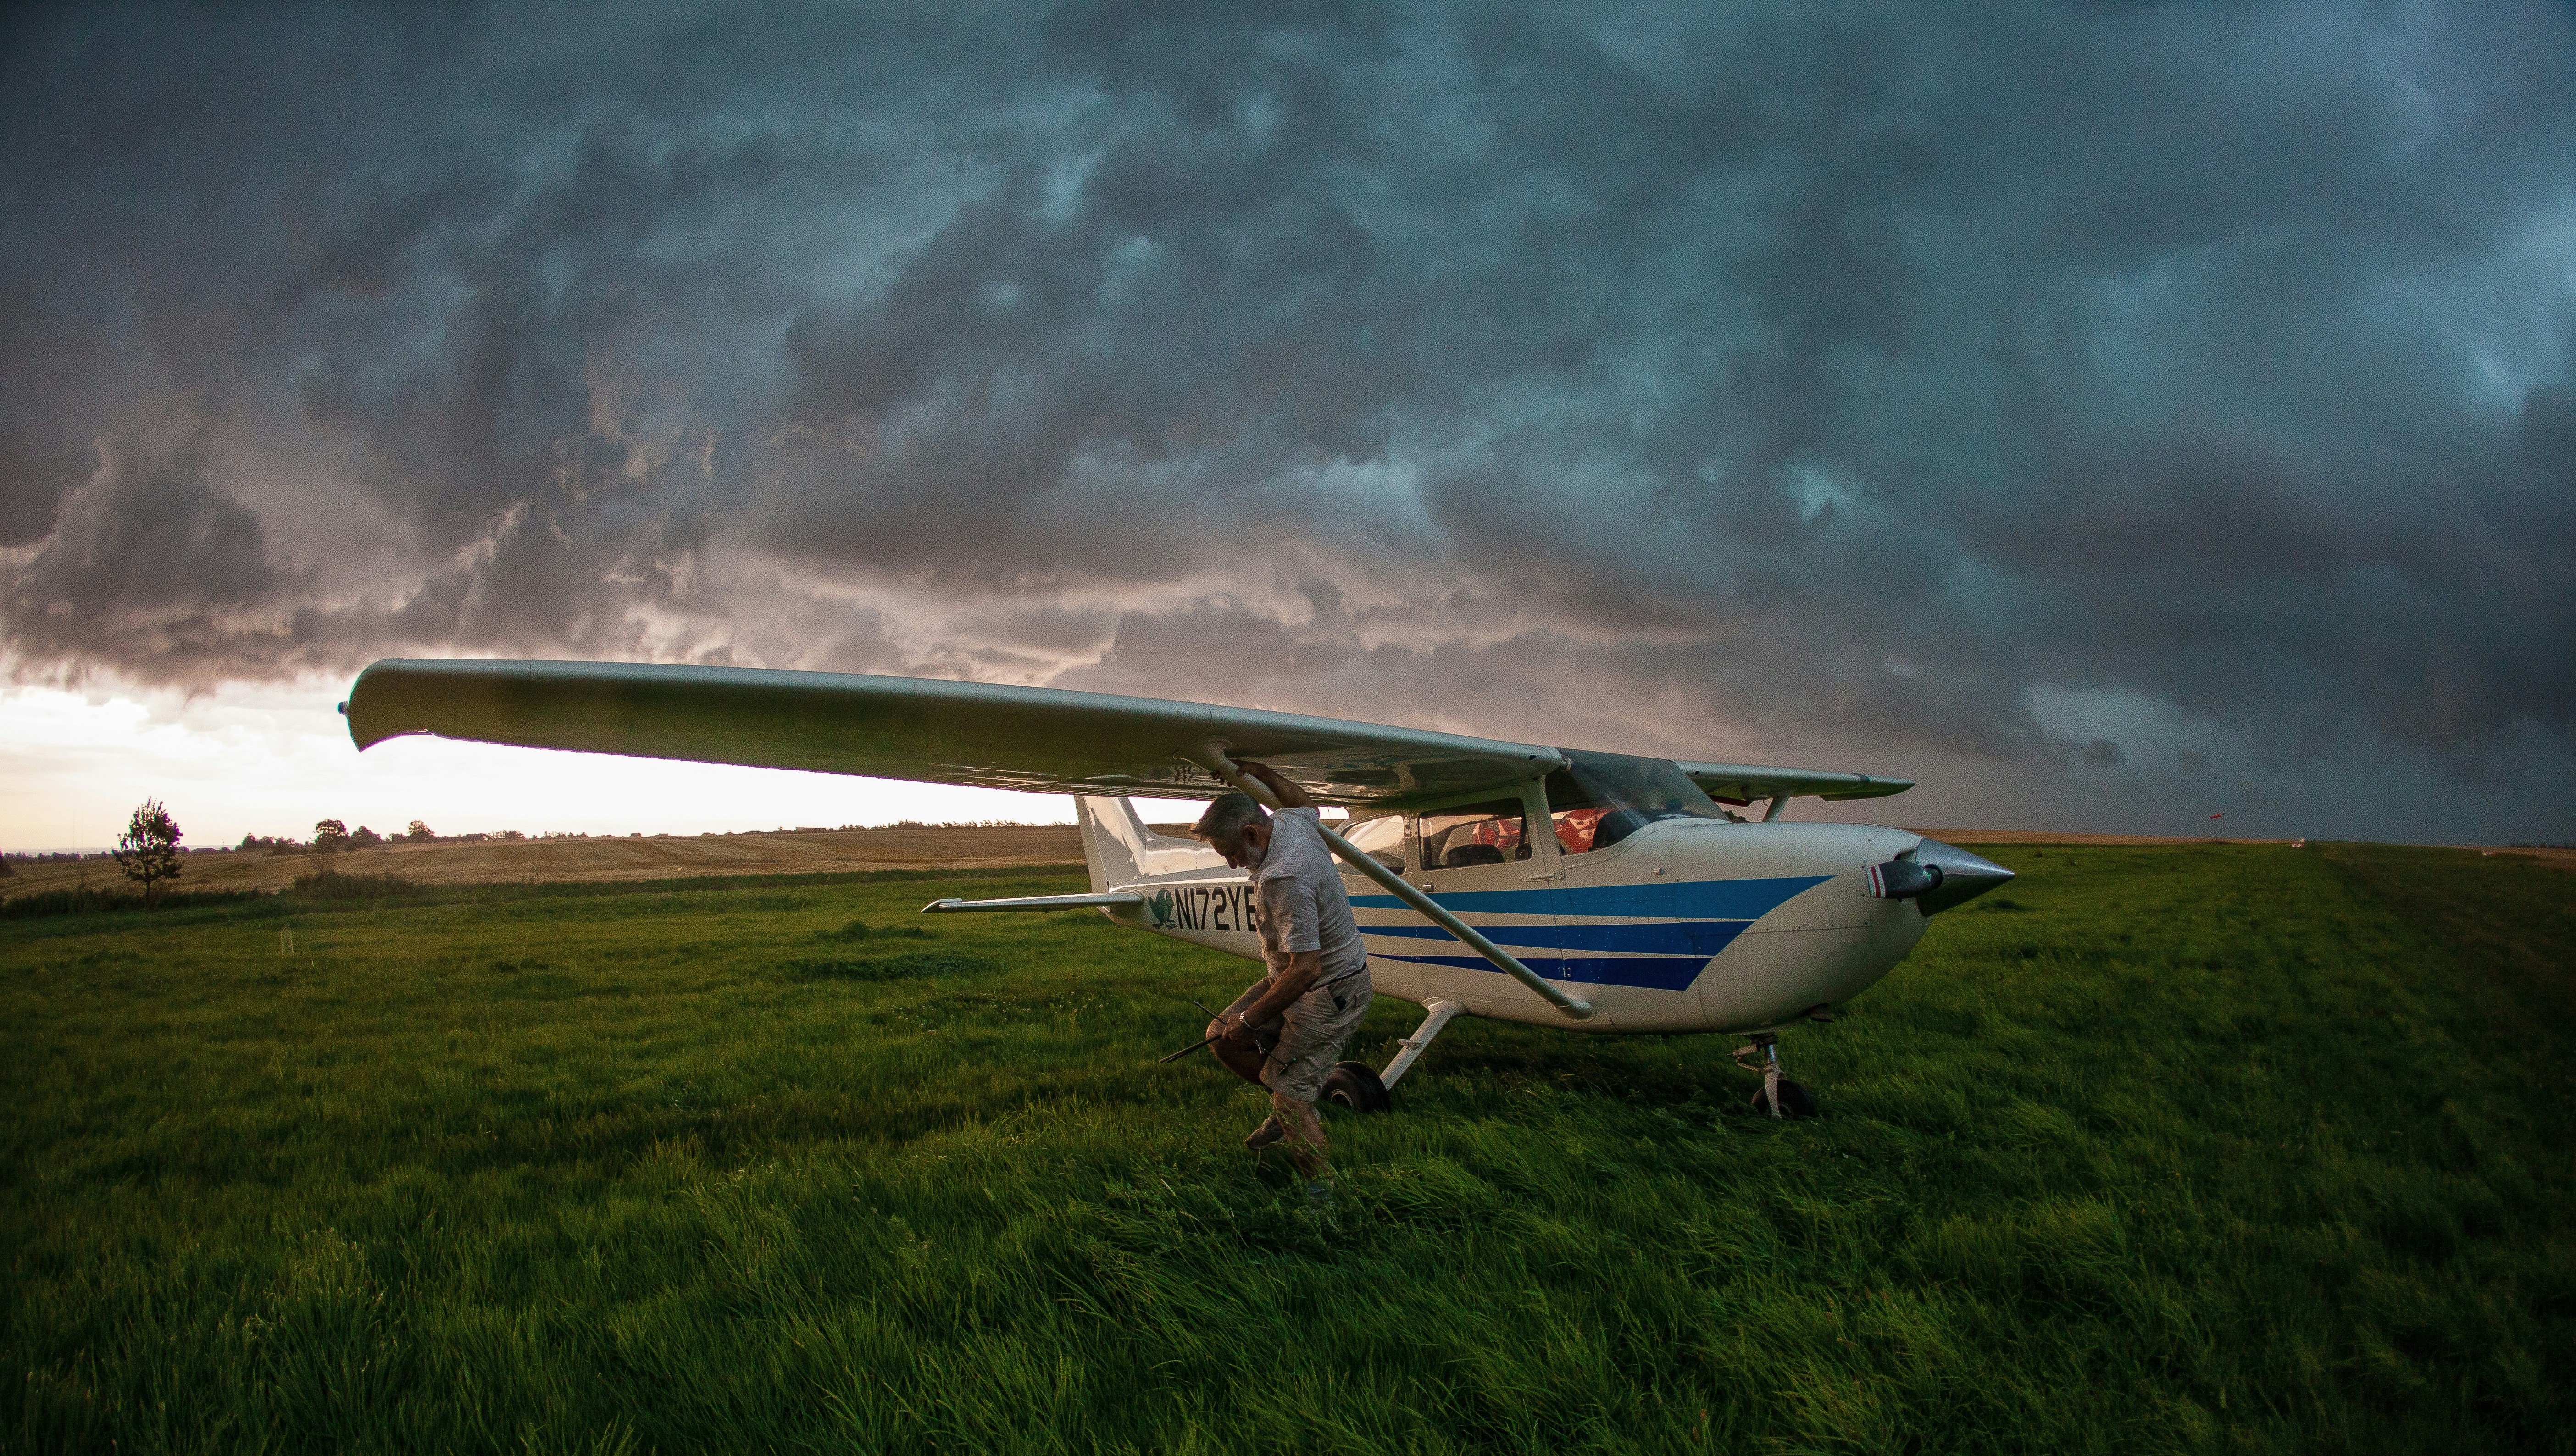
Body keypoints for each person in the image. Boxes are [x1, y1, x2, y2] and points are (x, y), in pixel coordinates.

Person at [1191, 761, 1372, 1201]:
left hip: (1329, 990)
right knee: (1221, 1036)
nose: (1234, 865)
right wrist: (1265, 774)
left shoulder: (1284, 877)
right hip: (1298, 978)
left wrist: (1252, 1019)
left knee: (1289, 1102)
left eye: (1231, 852)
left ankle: (1323, 1198)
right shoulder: (1291, 823)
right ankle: (1294, 1091)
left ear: (1253, 833)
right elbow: (1305, 802)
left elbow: (1307, 968)